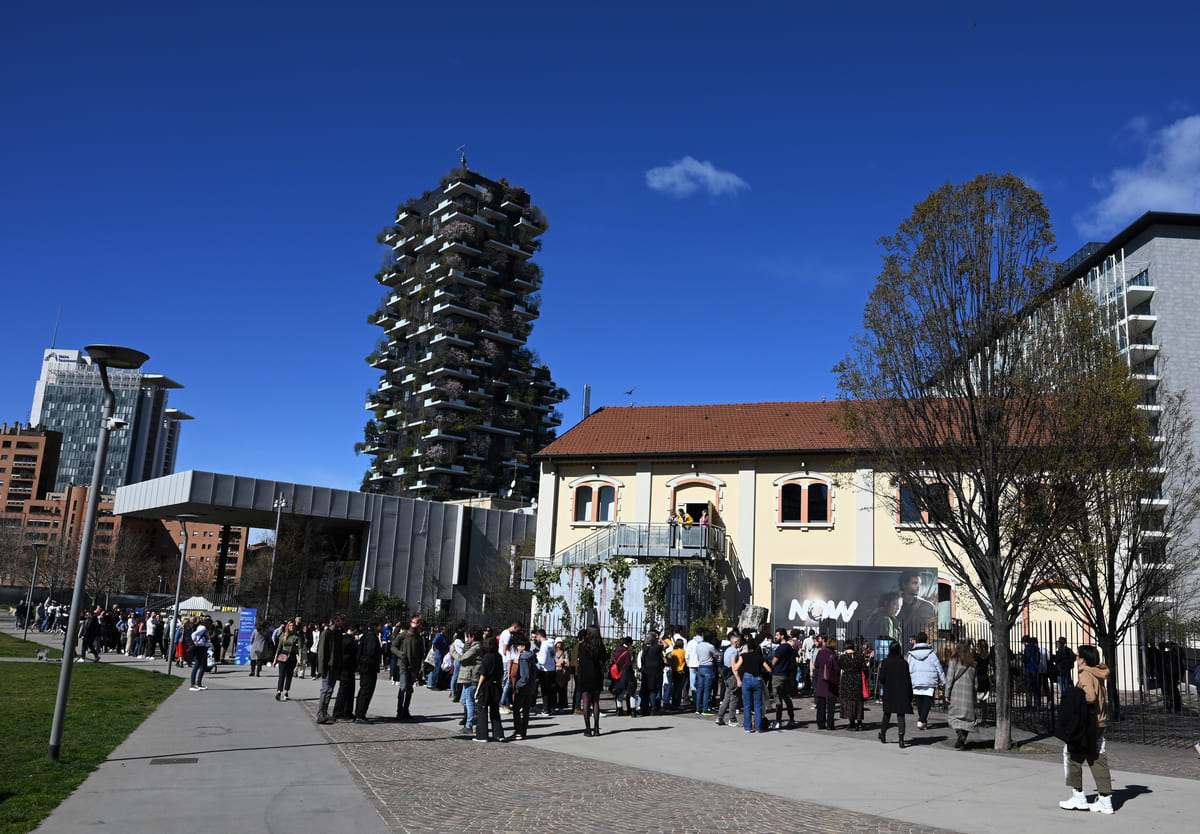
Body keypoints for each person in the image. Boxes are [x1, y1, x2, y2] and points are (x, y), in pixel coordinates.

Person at [1059, 644, 1114, 814]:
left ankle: (1078, 796)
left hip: (1088, 722)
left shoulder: (1085, 674)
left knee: (1072, 755)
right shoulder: (1098, 672)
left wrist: (1075, 695)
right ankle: (1105, 799)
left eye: (1077, 656)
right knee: (1096, 757)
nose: (1076, 658)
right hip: (1100, 721)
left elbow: (1089, 696)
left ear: (1082, 659)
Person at [733, 634, 771, 733]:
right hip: (757, 679)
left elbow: (736, 668)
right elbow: (769, 669)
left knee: (747, 705)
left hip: (747, 678)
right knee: (758, 705)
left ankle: (748, 727)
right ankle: (758, 727)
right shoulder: (759, 657)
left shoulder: (744, 656)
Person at [877, 642, 913, 747]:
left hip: (889, 690)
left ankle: (883, 734)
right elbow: (908, 680)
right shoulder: (904, 663)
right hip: (901, 691)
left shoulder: (885, 662)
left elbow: (882, 678)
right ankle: (901, 738)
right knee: (901, 715)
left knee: (887, 713)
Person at [576, 625, 609, 737]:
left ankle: (587, 729)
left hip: (585, 674)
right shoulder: (600, 646)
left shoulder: (583, 646)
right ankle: (596, 728)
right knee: (595, 701)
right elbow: (605, 658)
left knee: (585, 701)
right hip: (596, 674)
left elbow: (579, 659)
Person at [906, 632, 944, 730]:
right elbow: (939, 667)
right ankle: (922, 720)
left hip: (916, 679)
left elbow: (908, 667)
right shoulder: (931, 653)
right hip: (929, 679)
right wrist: (944, 681)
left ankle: (923, 721)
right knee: (927, 701)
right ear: (926, 640)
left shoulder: (911, 654)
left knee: (919, 701)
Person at [473, 636, 507, 742]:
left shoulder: (487, 657)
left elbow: (483, 674)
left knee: (482, 709)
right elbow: (501, 672)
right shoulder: (499, 656)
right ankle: (498, 734)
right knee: (494, 710)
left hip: (487, 685)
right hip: (496, 684)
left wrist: (478, 689)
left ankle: (482, 735)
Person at [945, 640, 978, 750]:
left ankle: (960, 734)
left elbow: (949, 678)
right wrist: (975, 693)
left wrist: (947, 693)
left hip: (956, 692)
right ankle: (963, 737)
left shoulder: (954, 660)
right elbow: (975, 681)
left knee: (955, 716)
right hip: (968, 692)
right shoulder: (972, 662)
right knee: (967, 719)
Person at [390, 615, 424, 720]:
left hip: (414, 667)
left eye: (418, 622)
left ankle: (406, 710)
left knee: (409, 689)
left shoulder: (419, 638)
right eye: (414, 621)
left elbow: (421, 653)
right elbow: (393, 646)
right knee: (403, 687)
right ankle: (399, 711)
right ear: (410, 623)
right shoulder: (403, 635)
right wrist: (400, 654)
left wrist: (421, 666)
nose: (415, 624)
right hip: (404, 665)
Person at [354, 623, 382, 724]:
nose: (381, 627)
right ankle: (360, 714)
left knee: (364, 690)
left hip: (365, 667)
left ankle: (359, 713)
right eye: (379, 625)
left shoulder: (365, 636)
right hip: (368, 668)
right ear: (375, 626)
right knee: (366, 690)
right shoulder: (371, 638)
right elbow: (371, 653)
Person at [896, 570, 936, 640]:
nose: (918, 586)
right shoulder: (893, 604)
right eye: (914, 583)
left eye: (919, 583)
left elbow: (933, 631)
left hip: (920, 647)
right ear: (904, 584)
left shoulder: (928, 606)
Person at [511, 637, 538, 740]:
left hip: (523, 688)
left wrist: (517, 686)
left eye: (519, 645)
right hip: (531, 687)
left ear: (523, 647)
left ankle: (518, 731)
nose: (517, 647)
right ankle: (523, 731)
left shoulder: (523, 658)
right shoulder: (531, 656)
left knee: (517, 710)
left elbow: (524, 675)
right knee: (526, 711)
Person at [457, 628, 482, 734]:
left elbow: (463, 658)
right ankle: (475, 716)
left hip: (471, 677)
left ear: (472, 637)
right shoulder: (472, 645)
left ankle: (470, 724)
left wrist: (453, 651)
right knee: (464, 700)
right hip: (467, 676)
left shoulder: (476, 647)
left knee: (469, 701)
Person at [770, 628, 796, 729]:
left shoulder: (780, 648)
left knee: (778, 699)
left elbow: (774, 662)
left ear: (782, 636)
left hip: (778, 674)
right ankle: (791, 718)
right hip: (787, 675)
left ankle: (778, 720)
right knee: (787, 698)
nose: (775, 637)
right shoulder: (790, 648)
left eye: (777, 635)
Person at [838, 640, 867, 731]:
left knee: (848, 700)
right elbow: (865, 669)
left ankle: (852, 723)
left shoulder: (843, 657)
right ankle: (859, 722)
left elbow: (839, 667)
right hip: (857, 679)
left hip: (847, 679)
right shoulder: (860, 656)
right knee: (858, 700)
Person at [714, 631, 742, 726]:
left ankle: (720, 716)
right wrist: (738, 679)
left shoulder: (727, 650)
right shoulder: (734, 651)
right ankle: (732, 718)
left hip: (726, 675)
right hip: (733, 676)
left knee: (727, 697)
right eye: (739, 641)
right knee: (734, 697)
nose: (740, 643)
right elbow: (734, 666)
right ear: (736, 642)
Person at [332, 622, 358, 720]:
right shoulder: (348, 640)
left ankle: (347, 712)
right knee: (343, 691)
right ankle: (339, 712)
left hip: (347, 668)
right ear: (354, 630)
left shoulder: (345, 638)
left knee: (350, 691)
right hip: (346, 668)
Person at [813, 636, 839, 730]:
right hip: (831, 681)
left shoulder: (820, 652)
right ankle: (830, 724)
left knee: (821, 703)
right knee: (831, 704)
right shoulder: (834, 655)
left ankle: (820, 723)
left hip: (821, 679)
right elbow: (837, 669)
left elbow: (816, 665)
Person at [639, 632, 666, 716]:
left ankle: (644, 708)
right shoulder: (656, 648)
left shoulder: (645, 649)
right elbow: (666, 645)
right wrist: (660, 638)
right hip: (655, 671)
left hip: (646, 671)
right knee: (653, 691)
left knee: (646, 690)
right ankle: (654, 708)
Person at [693, 631, 717, 716]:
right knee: (707, 690)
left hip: (700, 666)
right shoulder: (710, 646)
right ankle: (705, 709)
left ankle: (697, 708)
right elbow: (717, 654)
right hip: (708, 667)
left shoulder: (698, 646)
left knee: (700, 689)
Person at [610, 636, 635, 716]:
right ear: (628, 644)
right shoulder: (626, 653)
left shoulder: (616, 651)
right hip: (626, 676)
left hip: (618, 676)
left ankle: (619, 710)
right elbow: (628, 665)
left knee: (620, 692)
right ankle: (633, 710)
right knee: (631, 692)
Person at [189, 617, 212, 691]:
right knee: (197, 665)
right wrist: (196, 642)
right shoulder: (203, 629)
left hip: (204, 647)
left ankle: (199, 683)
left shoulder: (203, 628)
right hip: (200, 647)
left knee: (203, 666)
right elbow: (193, 635)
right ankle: (192, 684)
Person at [667, 638, 687, 710]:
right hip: (681, 671)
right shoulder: (684, 652)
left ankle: (673, 702)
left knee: (674, 687)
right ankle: (677, 703)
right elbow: (686, 660)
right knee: (679, 689)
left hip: (674, 670)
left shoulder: (673, 652)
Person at [1054, 637, 1076, 702]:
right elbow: (1074, 657)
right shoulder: (1068, 650)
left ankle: (1065, 697)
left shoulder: (1060, 651)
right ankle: (1067, 696)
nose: (1057, 645)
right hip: (1067, 669)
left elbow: (1057, 660)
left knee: (1062, 684)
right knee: (1066, 684)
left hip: (1060, 670)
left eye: (1058, 643)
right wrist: (1070, 664)